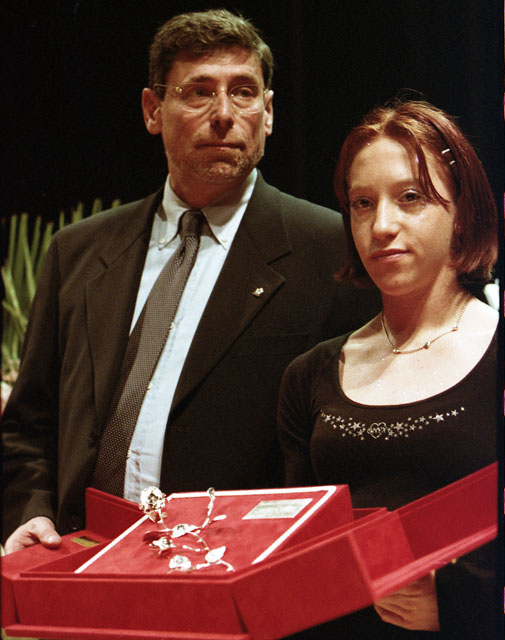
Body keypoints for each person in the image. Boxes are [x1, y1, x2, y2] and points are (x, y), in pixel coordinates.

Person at [1, 9, 378, 553]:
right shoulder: (78, 251)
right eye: (199, 92)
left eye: (243, 92)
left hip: (235, 576)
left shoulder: (331, 251)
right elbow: (28, 426)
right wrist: (30, 512)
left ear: (269, 112)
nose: (224, 114)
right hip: (78, 559)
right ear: (153, 110)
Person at [278, 100, 499, 638]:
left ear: (463, 212)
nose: (381, 225)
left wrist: (462, 606)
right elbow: (297, 559)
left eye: (410, 197)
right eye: (362, 203)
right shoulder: (310, 374)